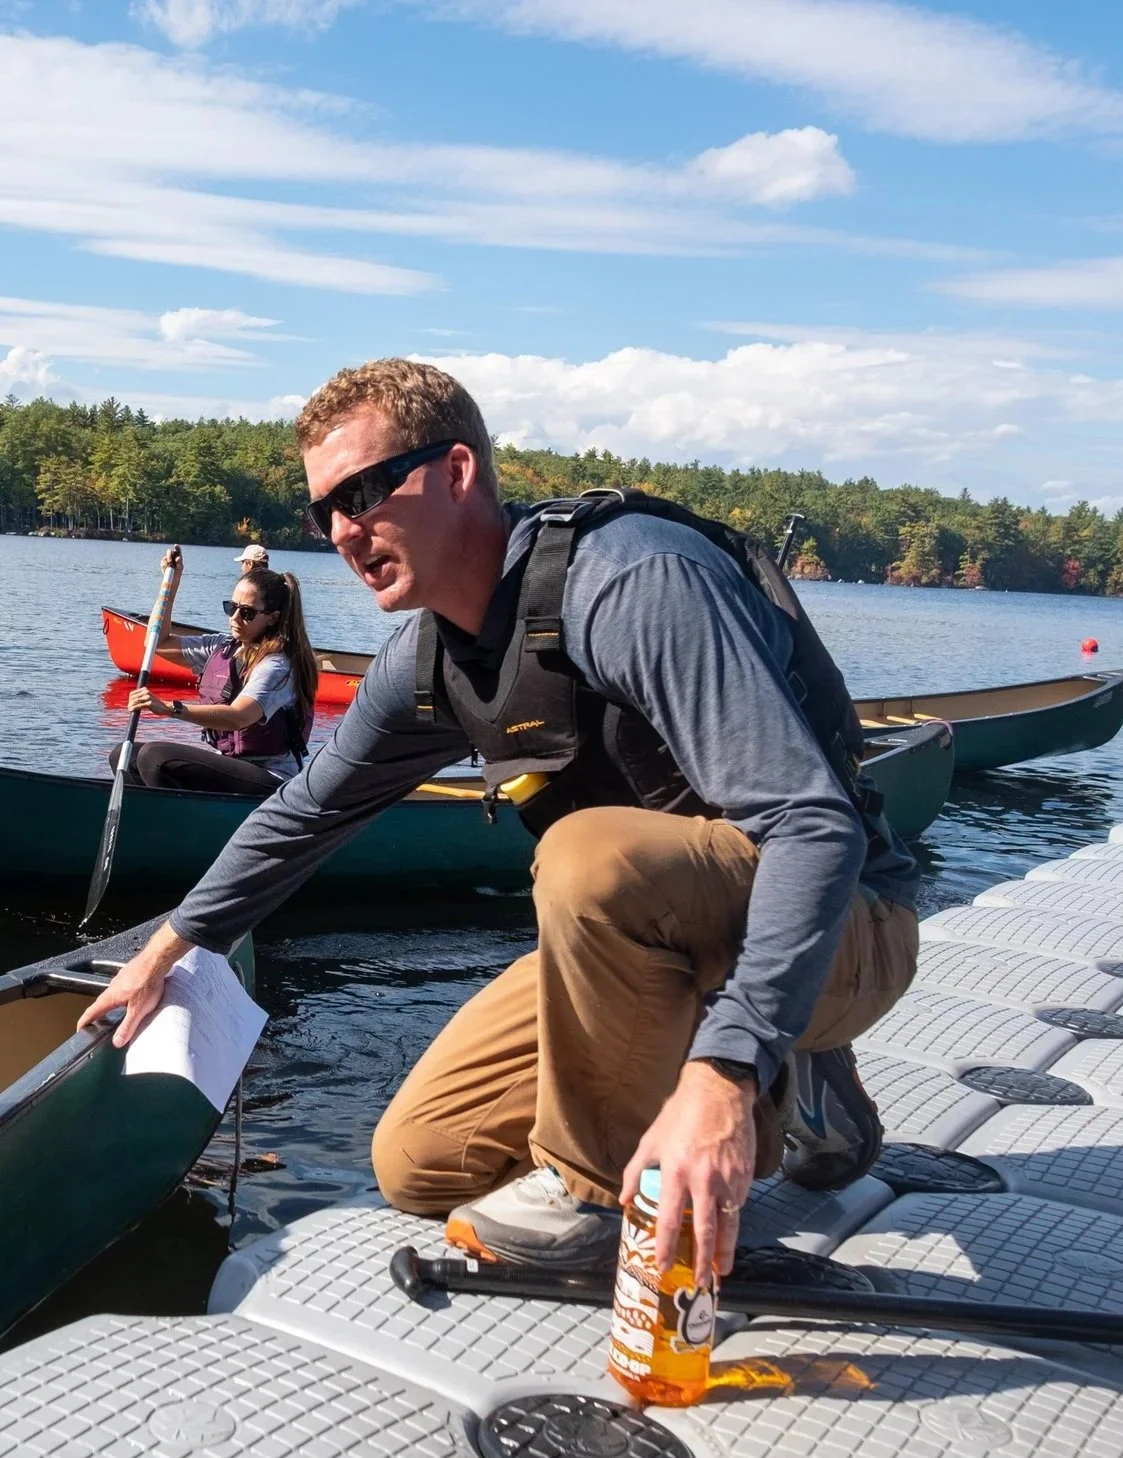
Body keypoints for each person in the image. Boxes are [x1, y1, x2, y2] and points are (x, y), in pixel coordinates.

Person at [81, 358, 918, 1280]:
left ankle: (624, 1179)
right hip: (659, 941)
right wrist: (169, 951)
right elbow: (303, 814)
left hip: (844, 923)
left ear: (456, 472)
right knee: (421, 1161)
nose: (344, 534)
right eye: (323, 511)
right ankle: (796, 1082)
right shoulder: (427, 658)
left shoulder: (631, 580)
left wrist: (723, 1076)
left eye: (363, 491)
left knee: (588, 854)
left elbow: (811, 826)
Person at [111, 546, 318, 795]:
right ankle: (159, 818)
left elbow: (239, 716)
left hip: (271, 779)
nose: (235, 618)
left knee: (155, 757)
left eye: (247, 613)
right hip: (231, 765)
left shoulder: (278, 665)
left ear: (272, 618)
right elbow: (158, 642)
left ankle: (183, 821)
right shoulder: (220, 647)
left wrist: (170, 708)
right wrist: (170, 584)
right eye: (232, 607)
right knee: (123, 755)